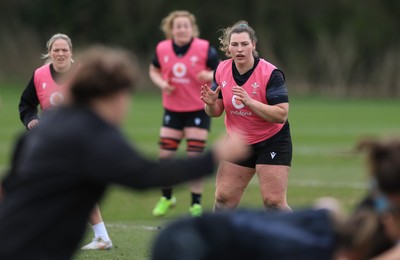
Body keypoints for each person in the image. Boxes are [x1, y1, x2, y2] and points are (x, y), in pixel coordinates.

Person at [0, 45, 247, 260]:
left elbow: (10, 183)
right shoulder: (93, 134)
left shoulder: (54, 120)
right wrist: (213, 156)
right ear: (114, 95)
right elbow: (145, 175)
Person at [16, 33, 112, 250]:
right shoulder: (39, 75)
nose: (60, 54)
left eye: (64, 50)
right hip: (50, 142)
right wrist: (31, 120)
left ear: (71, 52)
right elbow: (26, 104)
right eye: (56, 50)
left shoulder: (83, 74)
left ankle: (99, 237)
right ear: (49, 52)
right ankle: (98, 237)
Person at [201, 21, 292, 211]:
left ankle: (300, 239)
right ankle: (219, 241)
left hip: (272, 141)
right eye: (234, 45)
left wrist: (250, 102)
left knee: (273, 202)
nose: (239, 49)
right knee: (224, 198)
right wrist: (209, 104)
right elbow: (216, 111)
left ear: (253, 45)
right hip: (239, 142)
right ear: (228, 48)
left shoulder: (270, 73)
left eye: (244, 44)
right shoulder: (221, 70)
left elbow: (281, 114)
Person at [149, 10, 219, 217]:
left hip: (198, 109)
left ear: (192, 28)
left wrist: (210, 74)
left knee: (194, 157)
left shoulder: (205, 48)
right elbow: (153, 69)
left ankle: (195, 205)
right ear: (171, 29)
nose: (181, 29)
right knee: (165, 156)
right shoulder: (162, 48)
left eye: (185, 26)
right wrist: (162, 83)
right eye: (177, 26)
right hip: (172, 109)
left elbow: (224, 69)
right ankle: (167, 197)